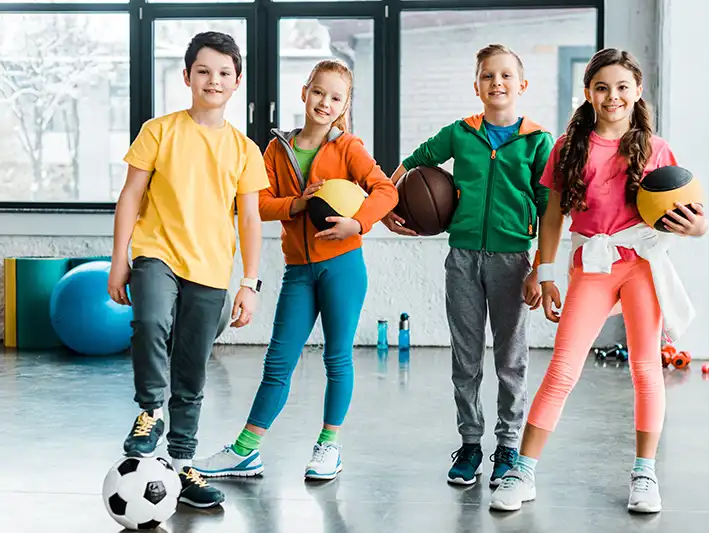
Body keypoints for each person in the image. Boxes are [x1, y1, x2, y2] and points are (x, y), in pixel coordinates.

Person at [489, 48, 709, 514]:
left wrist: (699, 228)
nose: (613, 96)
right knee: (563, 369)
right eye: (602, 87)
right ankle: (523, 471)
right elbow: (552, 216)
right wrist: (544, 273)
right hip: (591, 264)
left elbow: (693, 212)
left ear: (638, 91)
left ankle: (644, 475)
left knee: (646, 369)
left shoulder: (655, 148)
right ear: (588, 92)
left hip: (641, 265)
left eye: (622, 87)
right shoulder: (569, 147)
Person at [193, 59, 398, 481]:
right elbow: (258, 205)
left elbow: (386, 190)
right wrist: (301, 203)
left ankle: (329, 446)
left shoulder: (349, 148)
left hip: (342, 265)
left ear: (344, 106)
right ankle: (246, 451)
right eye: (318, 92)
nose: (325, 102)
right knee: (278, 361)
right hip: (299, 271)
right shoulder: (275, 149)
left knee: (337, 358)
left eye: (335, 98)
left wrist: (358, 224)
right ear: (304, 92)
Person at [382, 44, 554, 487]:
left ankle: (509, 447)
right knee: (466, 357)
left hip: (514, 259)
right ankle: (471, 443)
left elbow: (548, 206)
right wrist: (386, 207)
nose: (497, 83)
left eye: (505, 76)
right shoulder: (460, 133)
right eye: (487, 76)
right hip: (461, 258)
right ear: (476, 85)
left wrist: (540, 267)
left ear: (522, 85)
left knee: (511, 360)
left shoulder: (537, 140)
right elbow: (415, 161)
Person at [108, 31, 267, 508]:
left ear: (236, 82)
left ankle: (182, 464)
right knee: (151, 320)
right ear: (186, 77)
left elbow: (251, 218)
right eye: (203, 71)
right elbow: (131, 196)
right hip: (157, 252)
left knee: (193, 367)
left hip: (212, 270)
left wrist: (249, 283)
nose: (212, 80)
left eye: (223, 73)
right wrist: (120, 261)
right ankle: (150, 411)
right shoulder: (159, 131)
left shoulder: (244, 150)